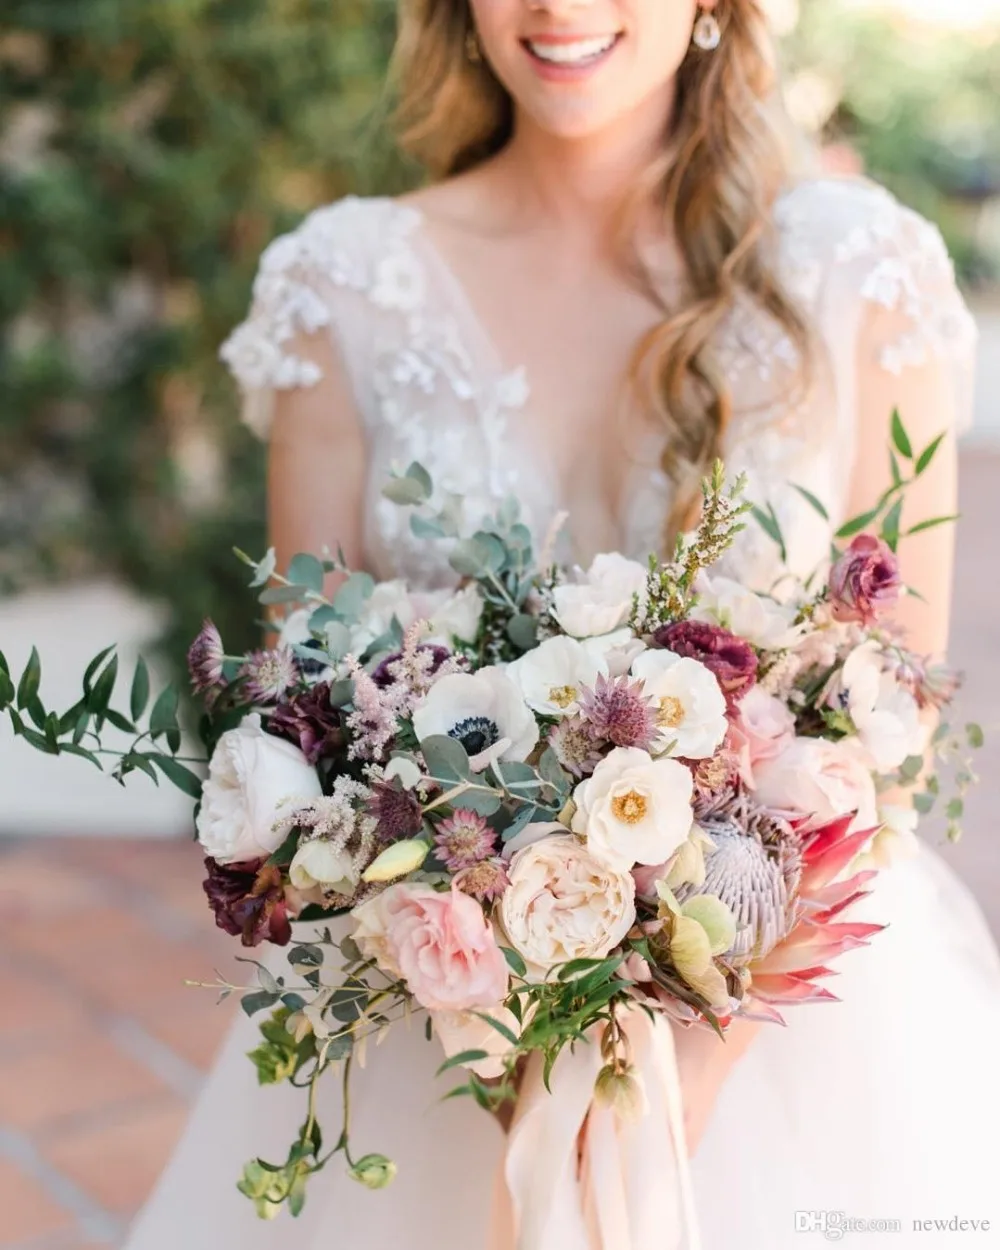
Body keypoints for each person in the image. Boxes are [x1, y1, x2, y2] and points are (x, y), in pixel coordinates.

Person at [124, 2, 1000, 1247]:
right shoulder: (343, 284)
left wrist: (698, 1050)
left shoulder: (857, 270)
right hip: (429, 1019)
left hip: (793, 1023)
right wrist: (487, 1021)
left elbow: (886, 706)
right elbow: (312, 716)